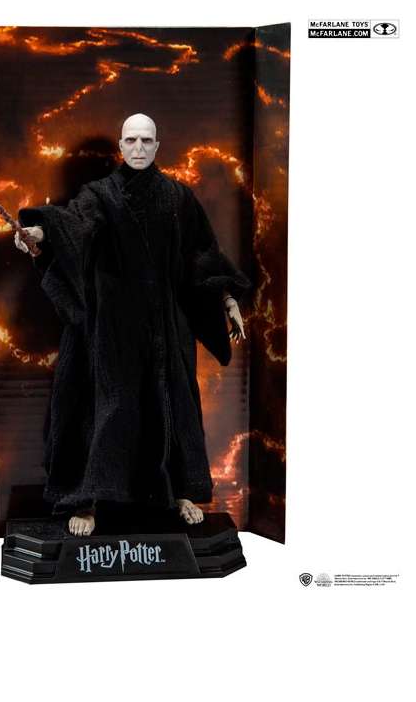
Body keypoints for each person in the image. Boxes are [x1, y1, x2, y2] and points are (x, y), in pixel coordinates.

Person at [15, 113, 250, 536]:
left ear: (157, 146)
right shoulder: (99, 195)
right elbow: (75, 225)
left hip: (165, 325)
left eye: (146, 140)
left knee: (173, 406)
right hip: (111, 328)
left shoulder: (178, 198)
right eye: (131, 140)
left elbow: (202, 253)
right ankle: (88, 499)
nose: (138, 148)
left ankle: (177, 492)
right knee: (106, 408)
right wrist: (40, 233)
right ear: (120, 146)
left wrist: (228, 298)